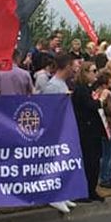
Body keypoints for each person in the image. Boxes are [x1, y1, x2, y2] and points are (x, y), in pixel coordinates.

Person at [39, 54, 78, 213]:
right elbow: (47, 109)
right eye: (73, 65)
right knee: (53, 164)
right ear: (67, 66)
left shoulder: (61, 84)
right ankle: (53, 196)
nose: (75, 69)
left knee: (62, 163)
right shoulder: (52, 86)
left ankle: (61, 193)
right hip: (54, 131)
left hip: (63, 130)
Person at [70, 63, 105, 203]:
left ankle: (92, 190)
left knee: (95, 162)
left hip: (93, 131)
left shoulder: (89, 89)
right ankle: (83, 191)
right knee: (88, 161)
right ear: (85, 73)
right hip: (85, 131)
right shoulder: (81, 90)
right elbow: (91, 105)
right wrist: (101, 100)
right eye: (93, 71)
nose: (95, 74)